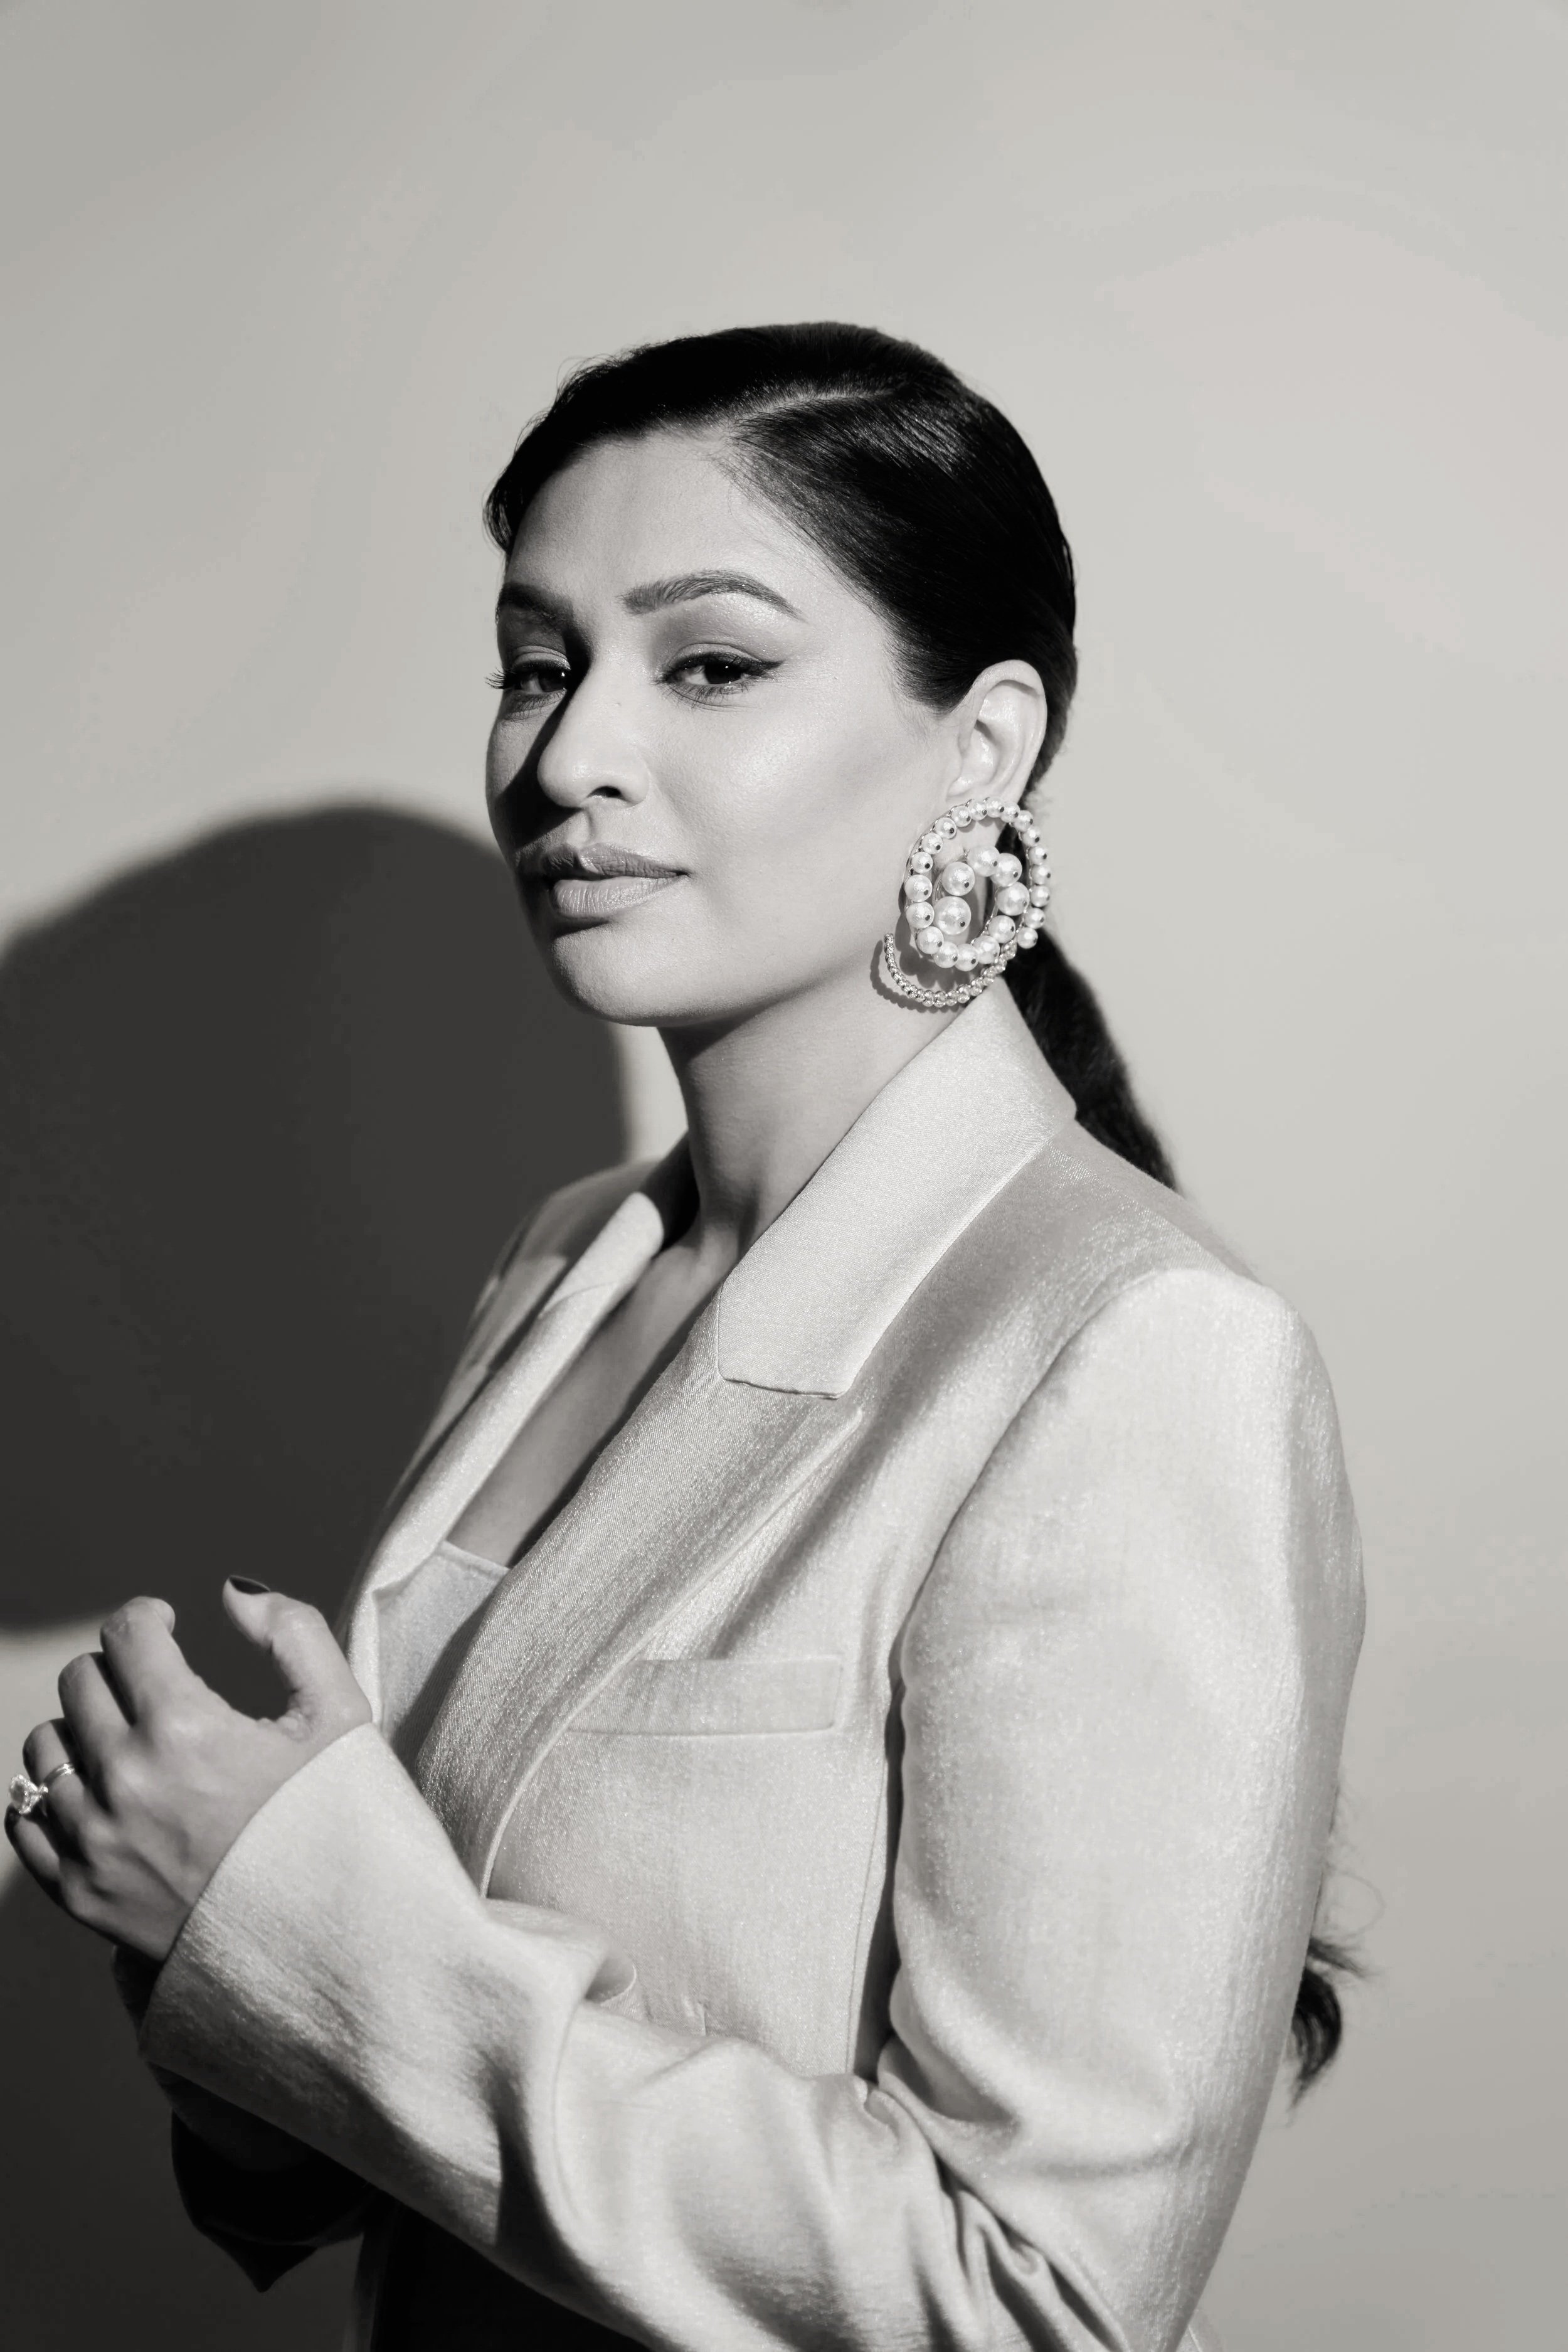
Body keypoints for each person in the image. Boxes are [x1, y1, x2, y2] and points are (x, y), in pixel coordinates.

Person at [6, 324, 1362, 2352]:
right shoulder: (563, 1272)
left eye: (708, 663)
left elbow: (1037, 2302)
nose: (566, 759)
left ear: (980, 744)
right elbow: (387, 2087)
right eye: (536, 662)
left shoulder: (1141, 1348)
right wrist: (212, 1947)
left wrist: (306, 1922)